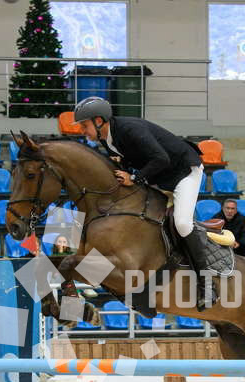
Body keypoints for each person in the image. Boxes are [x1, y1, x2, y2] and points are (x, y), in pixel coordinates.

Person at [72, 97, 215, 298]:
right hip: (159, 176)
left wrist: (134, 178)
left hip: (183, 172)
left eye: (84, 125)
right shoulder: (106, 138)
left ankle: (206, 283)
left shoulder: (130, 129)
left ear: (98, 121)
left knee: (182, 223)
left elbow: (161, 158)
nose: (82, 131)